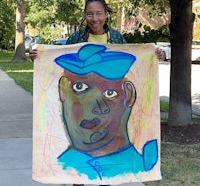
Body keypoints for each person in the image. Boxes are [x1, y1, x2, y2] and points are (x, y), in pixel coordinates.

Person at [55, 43, 158, 182]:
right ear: (62, 90)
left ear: (129, 95)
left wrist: (155, 56)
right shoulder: (58, 165)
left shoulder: (139, 166)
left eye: (110, 93)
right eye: (79, 87)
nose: (94, 106)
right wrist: (38, 57)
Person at [29, 0, 164, 60]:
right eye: (90, 14)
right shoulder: (76, 38)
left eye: (99, 13)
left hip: (110, 97)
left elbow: (131, 61)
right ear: (85, 15)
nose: (94, 19)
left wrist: (152, 56)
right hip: (81, 96)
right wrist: (40, 57)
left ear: (105, 15)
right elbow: (59, 59)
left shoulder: (117, 38)